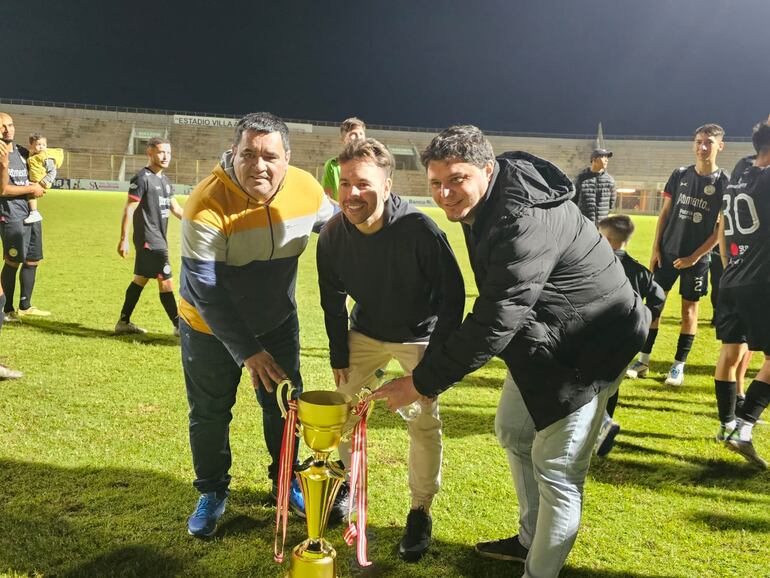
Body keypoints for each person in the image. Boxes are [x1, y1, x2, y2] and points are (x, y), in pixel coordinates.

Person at [371, 125, 648, 578]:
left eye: (456, 179)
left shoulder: (519, 220)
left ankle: (538, 571)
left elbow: (497, 318)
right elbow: (502, 306)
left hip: (595, 346)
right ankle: (529, 539)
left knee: (556, 468)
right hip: (550, 335)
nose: (445, 194)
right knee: (514, 432)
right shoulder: (491, 199)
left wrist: (421, 382)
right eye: (436, 183)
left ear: (486, 168)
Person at [179, 112, 335, 537]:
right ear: (234, 154)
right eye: (248, 154)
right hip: (209, 328)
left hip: (276, 322)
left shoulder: (307, 188)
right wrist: (249, 352)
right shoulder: (205, 203)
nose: (258, 165)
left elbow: (340, 227)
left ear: (288, 158)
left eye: (270, 155)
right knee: (210, 413)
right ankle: (211, 491)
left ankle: (284, 482)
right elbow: (205, 290)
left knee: (285, 409)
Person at [316, 138, 464, 561]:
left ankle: (420, 510)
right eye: (345, 183)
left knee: (422, 420)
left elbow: (452, 299)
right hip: (364, 333)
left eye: (363, 183)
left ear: (387, 185)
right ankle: (346, 483)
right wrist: (338, 355)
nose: (352, 193)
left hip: (418, 335)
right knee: (340, 410)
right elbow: (331, 301)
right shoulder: (331, 234)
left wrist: (432, 366)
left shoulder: (419, 230)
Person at [628, 124, 729, 386]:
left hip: (696, 261)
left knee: (689, 312)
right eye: (698, 141)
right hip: (668, 254)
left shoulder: (723, 182)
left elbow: (721, 228)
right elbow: (665, 214)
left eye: (708, 142)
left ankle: (677, 367)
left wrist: (695, 257)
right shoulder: (680, 174)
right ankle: (643, 361)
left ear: (720, 146)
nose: (702, 147)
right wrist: (655, 249)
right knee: (653, 308)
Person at [713, 120, 770, 469]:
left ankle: (726, 425)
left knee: (731, 352)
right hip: (761, 281)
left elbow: (722, 228)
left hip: (731, 277)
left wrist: (727, 264)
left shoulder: (739, 176)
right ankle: (743, 429)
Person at [597, 215, 666, 456]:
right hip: (627, 340)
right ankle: (604, 426)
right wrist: (646, 317)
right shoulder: (639, 270)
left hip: (597, 336)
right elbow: (658, 296)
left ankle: (601, 425)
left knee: (589, 384)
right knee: (612, 385)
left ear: (605, 238)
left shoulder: (595, 265)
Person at [115, 137, 183, 335]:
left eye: (168, 153)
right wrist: (124, 239)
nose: (165, 156)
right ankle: (179, 326)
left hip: (158, 238)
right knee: (166, 280)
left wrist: (197, 221)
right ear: (150, 153)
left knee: (140, 279)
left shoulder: (165, 180)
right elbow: (129, 208)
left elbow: (176, 209)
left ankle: (123, 322)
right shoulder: (142, 178)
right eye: (161, 152)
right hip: (150, 239)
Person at [0, 112, 49, 322]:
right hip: (11, 215)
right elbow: (2, 190)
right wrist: (32, 188)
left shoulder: (22, 151)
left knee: (32, 259)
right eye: (2, 126)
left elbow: (37, 172)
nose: (7, 129)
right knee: (13, 261)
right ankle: (7, 309)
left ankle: (25, 305)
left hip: (31, 213)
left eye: (10, 125)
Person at [321, 117, 366, 200]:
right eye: (353, 134)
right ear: (343, 140)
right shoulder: (332, 165)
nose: (359, 137)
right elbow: (328, 198)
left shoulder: (372, 164)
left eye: (361, 134)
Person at [25, 132, 64, 224]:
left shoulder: (46, 157)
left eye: (44, 145)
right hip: (34, 180)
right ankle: (32, 211)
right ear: (31, 145)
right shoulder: (32, 155)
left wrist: (42, 183)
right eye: (38, 144)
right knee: (28, 195)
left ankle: (34, 212)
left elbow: (53, 172)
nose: (42, 147)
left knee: (30, 195)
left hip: (40, 181)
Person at [573, 148, 616, 225]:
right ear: (594, 160)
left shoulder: (610, 181)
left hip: (601, 226)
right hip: (584, 224)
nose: (607, 160)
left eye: (607, 158)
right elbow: (573, 201)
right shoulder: (580, 179)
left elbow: (611, 205)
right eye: (604, 157)